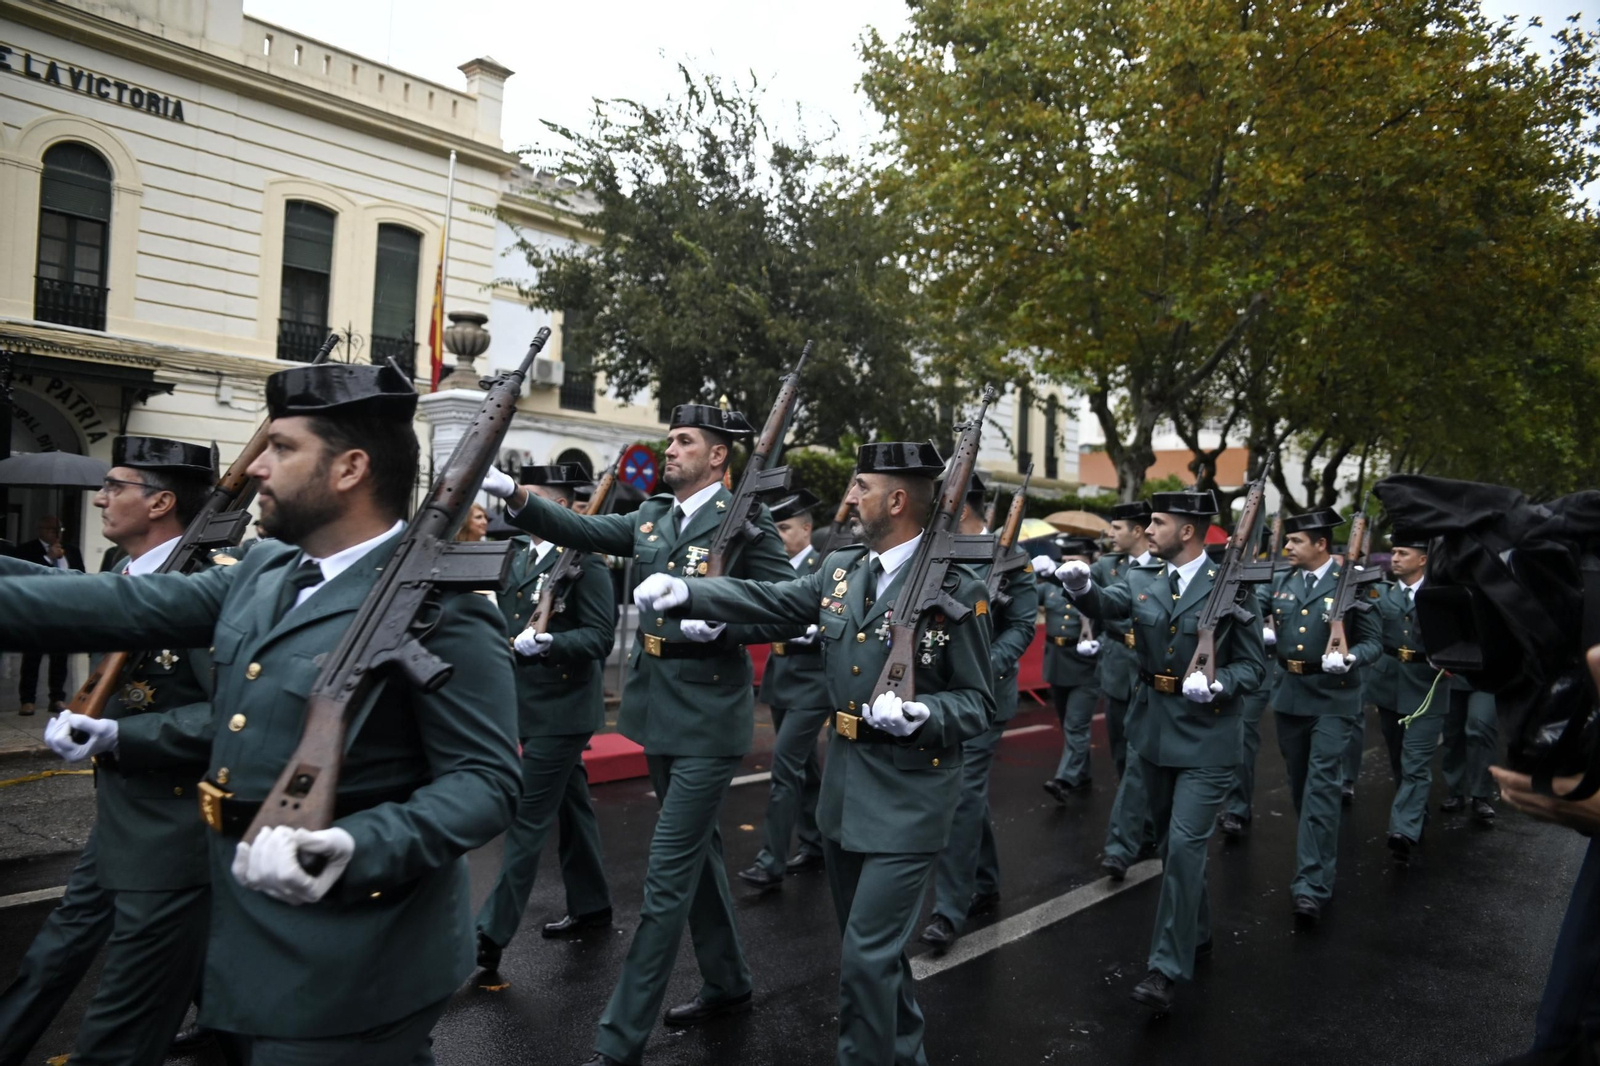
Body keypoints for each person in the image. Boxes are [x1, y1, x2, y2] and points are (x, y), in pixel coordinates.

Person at [0, 362, 521, 1065]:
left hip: (349, 956)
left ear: (350, 469)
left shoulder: (442, 607)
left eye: (282, 449)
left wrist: (358, 844)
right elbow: (122, 605)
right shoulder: (267, 572)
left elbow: (486, 781)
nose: (259, 470)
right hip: (239, 932)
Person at [630, 440, 995, 1066]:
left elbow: (979, 703)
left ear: (898, 500)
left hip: (909, 797)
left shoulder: (956, 587)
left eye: (862, 486)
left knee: (864, 959)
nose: (850, 496)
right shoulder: (842, 568)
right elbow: (776, 603)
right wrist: (692, 595)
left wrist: (924, 714)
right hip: (846, 792)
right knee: (875, 958)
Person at [482, 402, 793, 1066]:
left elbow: (790, 605)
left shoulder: (747, 521)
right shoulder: (653, 516)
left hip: (711, 719)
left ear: (718, 456)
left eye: (685, 440)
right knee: (701, 859)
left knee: (667, 874)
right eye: (671, 437)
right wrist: (515, 496)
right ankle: (729, 980)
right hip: (656, 712)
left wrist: (725, 618)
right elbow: (584, 529)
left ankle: (618, 1040)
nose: (670, 448)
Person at [0, 437, 222, 1066]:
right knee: (55, 950)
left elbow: (238, 715)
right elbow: (54, 599)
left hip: (179, 828)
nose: (100, 497)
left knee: (124, 1017)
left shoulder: (207, 591)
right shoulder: (120, 574)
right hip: (121, 814)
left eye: (116, 485)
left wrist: (128, 735)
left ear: (162, 502)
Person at [1047, 489, 1266, 1012]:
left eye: (1158, 523)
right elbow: (1111, 605)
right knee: (1172, 847)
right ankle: (1200, 931)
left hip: (1208, 737)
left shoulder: (1231, 586)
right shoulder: (1144, 579)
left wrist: (1221, 682)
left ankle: (1165, 967)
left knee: (1187, 847)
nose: (1147, 531)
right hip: (1154, 731)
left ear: (1187, 532)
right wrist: (1081, 588)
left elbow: (1256, 667)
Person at [475, 464, 615, 968]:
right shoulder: (515, 555)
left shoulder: (586, 562)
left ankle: (490, 933)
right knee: (572, 808)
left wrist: (552, 642)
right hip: (526, 704)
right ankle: (593, 903)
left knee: (527, 818)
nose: (519, 505)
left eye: (530, 497)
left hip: (564, 706)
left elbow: (601, 637)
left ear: (556, 506)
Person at [920, 472, 1038, 951]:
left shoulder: (1012, 558)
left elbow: (1023, 625)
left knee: (962, 794)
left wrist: (984, 666)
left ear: (959, 505)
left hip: (985, 695)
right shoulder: (934, 550)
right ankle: (985, 879)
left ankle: (950, 908)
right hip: (938, 694)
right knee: (966, 794)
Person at [1261, 507, 1382, 925]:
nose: (1288, 546)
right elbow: (1244, 608)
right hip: (1291, 696)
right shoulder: (1281, 581)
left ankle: (1312, 885)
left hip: (1334, 699)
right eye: (1288, 540)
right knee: (1299, 786)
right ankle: (1316, 854)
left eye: (1296, 542)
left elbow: (1374, 643)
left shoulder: (1353, 583)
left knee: (1321, 788)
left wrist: (1349, 657)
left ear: (1321, 545)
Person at [738, 488, 830, 891]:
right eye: (773, 527)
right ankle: (817, 842)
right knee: (807, 769)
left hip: (814, 681)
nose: (777, 534)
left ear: (807, 529)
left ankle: (770, 860)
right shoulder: (773, 566)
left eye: (785, 527)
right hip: (781, 676)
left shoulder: (823, 567)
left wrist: (818, 632)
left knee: (785, 768)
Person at [1372, 532, 1442, 862]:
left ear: (1423, 559)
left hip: (1427, 685)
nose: (1395, 557)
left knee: (1416, 762)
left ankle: (1403, 830)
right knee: (1399, 758)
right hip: (1389, 684)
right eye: (1393, 552)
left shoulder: (1440, 594)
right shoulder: (1381, 594)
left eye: (1402, 552)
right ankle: (1416, 814)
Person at [1035, 535, 1103, 800]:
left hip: (1086, 665)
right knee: (1067, 723)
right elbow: (1026, 594)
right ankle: (1082, 771)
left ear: (1089, 562)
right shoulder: (1050, 587)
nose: (1068, 567)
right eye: (1064, 562)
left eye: (1075, 561)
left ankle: (1065, 779)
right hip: (1057, 661)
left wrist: (1101, 644)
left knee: (1076, 724)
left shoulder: (1096, 588)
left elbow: (1113, 622)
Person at [11, 514, 83, 715]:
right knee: (32, 658)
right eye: (51, 530)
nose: (55, 533)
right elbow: (22, 576)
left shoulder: (71, 550)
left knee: (60, 659)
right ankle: (27, 700)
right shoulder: (26, 550)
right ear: (40, 530)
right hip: (37, 611)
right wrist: (48, 559)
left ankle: (57, 698)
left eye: (58, 530)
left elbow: (81, 575)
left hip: (63, 611)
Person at [1441, 681, 1500, 822]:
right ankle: (1455, 791)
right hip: (1450, 673)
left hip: (1486, 673)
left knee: (1480, 726)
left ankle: (1480, 795)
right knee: (1452, 732)